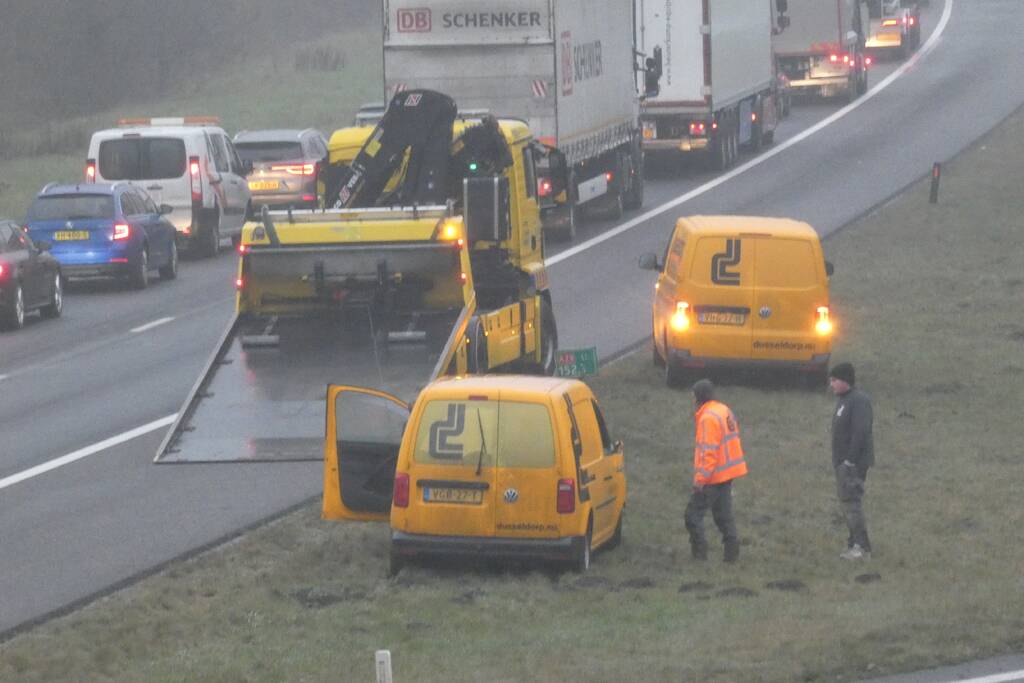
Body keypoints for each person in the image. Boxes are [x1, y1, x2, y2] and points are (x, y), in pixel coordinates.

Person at [684, 379, 748, 563]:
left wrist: (700, 479)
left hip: (712, 477)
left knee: (692, 515)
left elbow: (708, 451)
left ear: (698, 398)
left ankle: (699, 554)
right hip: (727, 474)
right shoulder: (723, 410)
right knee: (723, 516)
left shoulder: (707, 419)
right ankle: (731, 556)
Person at [828, 362, 875, 560]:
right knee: (847, 503)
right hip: (842, 463)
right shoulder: (843, 400)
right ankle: (853, 543)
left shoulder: (859, 401)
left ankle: (861, 547)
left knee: (851, 503)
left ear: (845, 380)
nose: (831, 384)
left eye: (834, 380)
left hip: (852, 464)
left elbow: (861, 432)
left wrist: (850, 461)